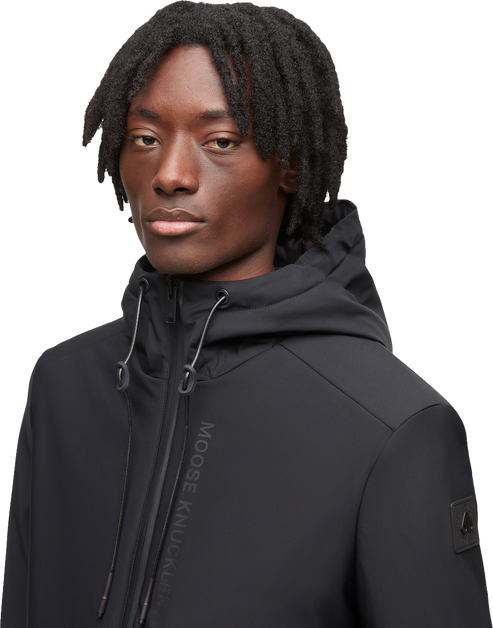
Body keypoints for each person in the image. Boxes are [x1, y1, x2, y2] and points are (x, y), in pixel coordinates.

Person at [2, 1, 491, 626]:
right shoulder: (63, 386)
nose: (170, 175)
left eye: (220, 141)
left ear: (290, 164)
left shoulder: (393, 424)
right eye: (145, 138)